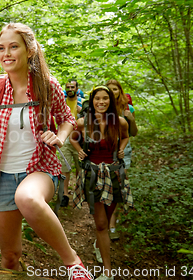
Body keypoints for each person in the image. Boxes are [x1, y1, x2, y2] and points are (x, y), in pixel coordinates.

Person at [0, 23, 91, 279]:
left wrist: (59, 137)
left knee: (27, 198)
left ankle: (74, 264)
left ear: (30, 50)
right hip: (0, 177)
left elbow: (67, 118)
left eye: (14, 46)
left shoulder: (47, 85)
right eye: (2, 48)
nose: (7, 54)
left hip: (39, 168)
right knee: (9, 257)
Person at [70, 85, 133, 280]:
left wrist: (122, 148)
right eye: (98, 99)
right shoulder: (83, 122)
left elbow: (126, 137)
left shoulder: (120, 122)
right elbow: (73, 138)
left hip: (114, 175)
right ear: (92, 100)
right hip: (93, 175)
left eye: (105, 98)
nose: (102, 102)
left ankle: (100, 243)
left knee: (106, 219)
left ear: (111, 101)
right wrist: (80, 150)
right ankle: (108, 273)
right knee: (100, 224)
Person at [105, 79, 138, 240]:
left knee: (118, 184)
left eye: (115, 89)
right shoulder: (102, 107)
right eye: (109, 89)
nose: (112, 92)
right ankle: (105, 216)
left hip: (123, 149)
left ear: (120, 91)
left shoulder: (128, 108)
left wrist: (130, 119)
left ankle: (112, 225)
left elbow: (134, 132)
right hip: (105, 150)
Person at [59, 79, 82, 207]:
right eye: (68, 87)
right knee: (65, 167)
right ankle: (64, 194)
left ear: (77, 89)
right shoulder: (62, 101)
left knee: (80, 167)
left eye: (72, 87)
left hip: (79, 138)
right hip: (64, 137)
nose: (70, 89)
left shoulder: (82, 103)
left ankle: (79, 193)